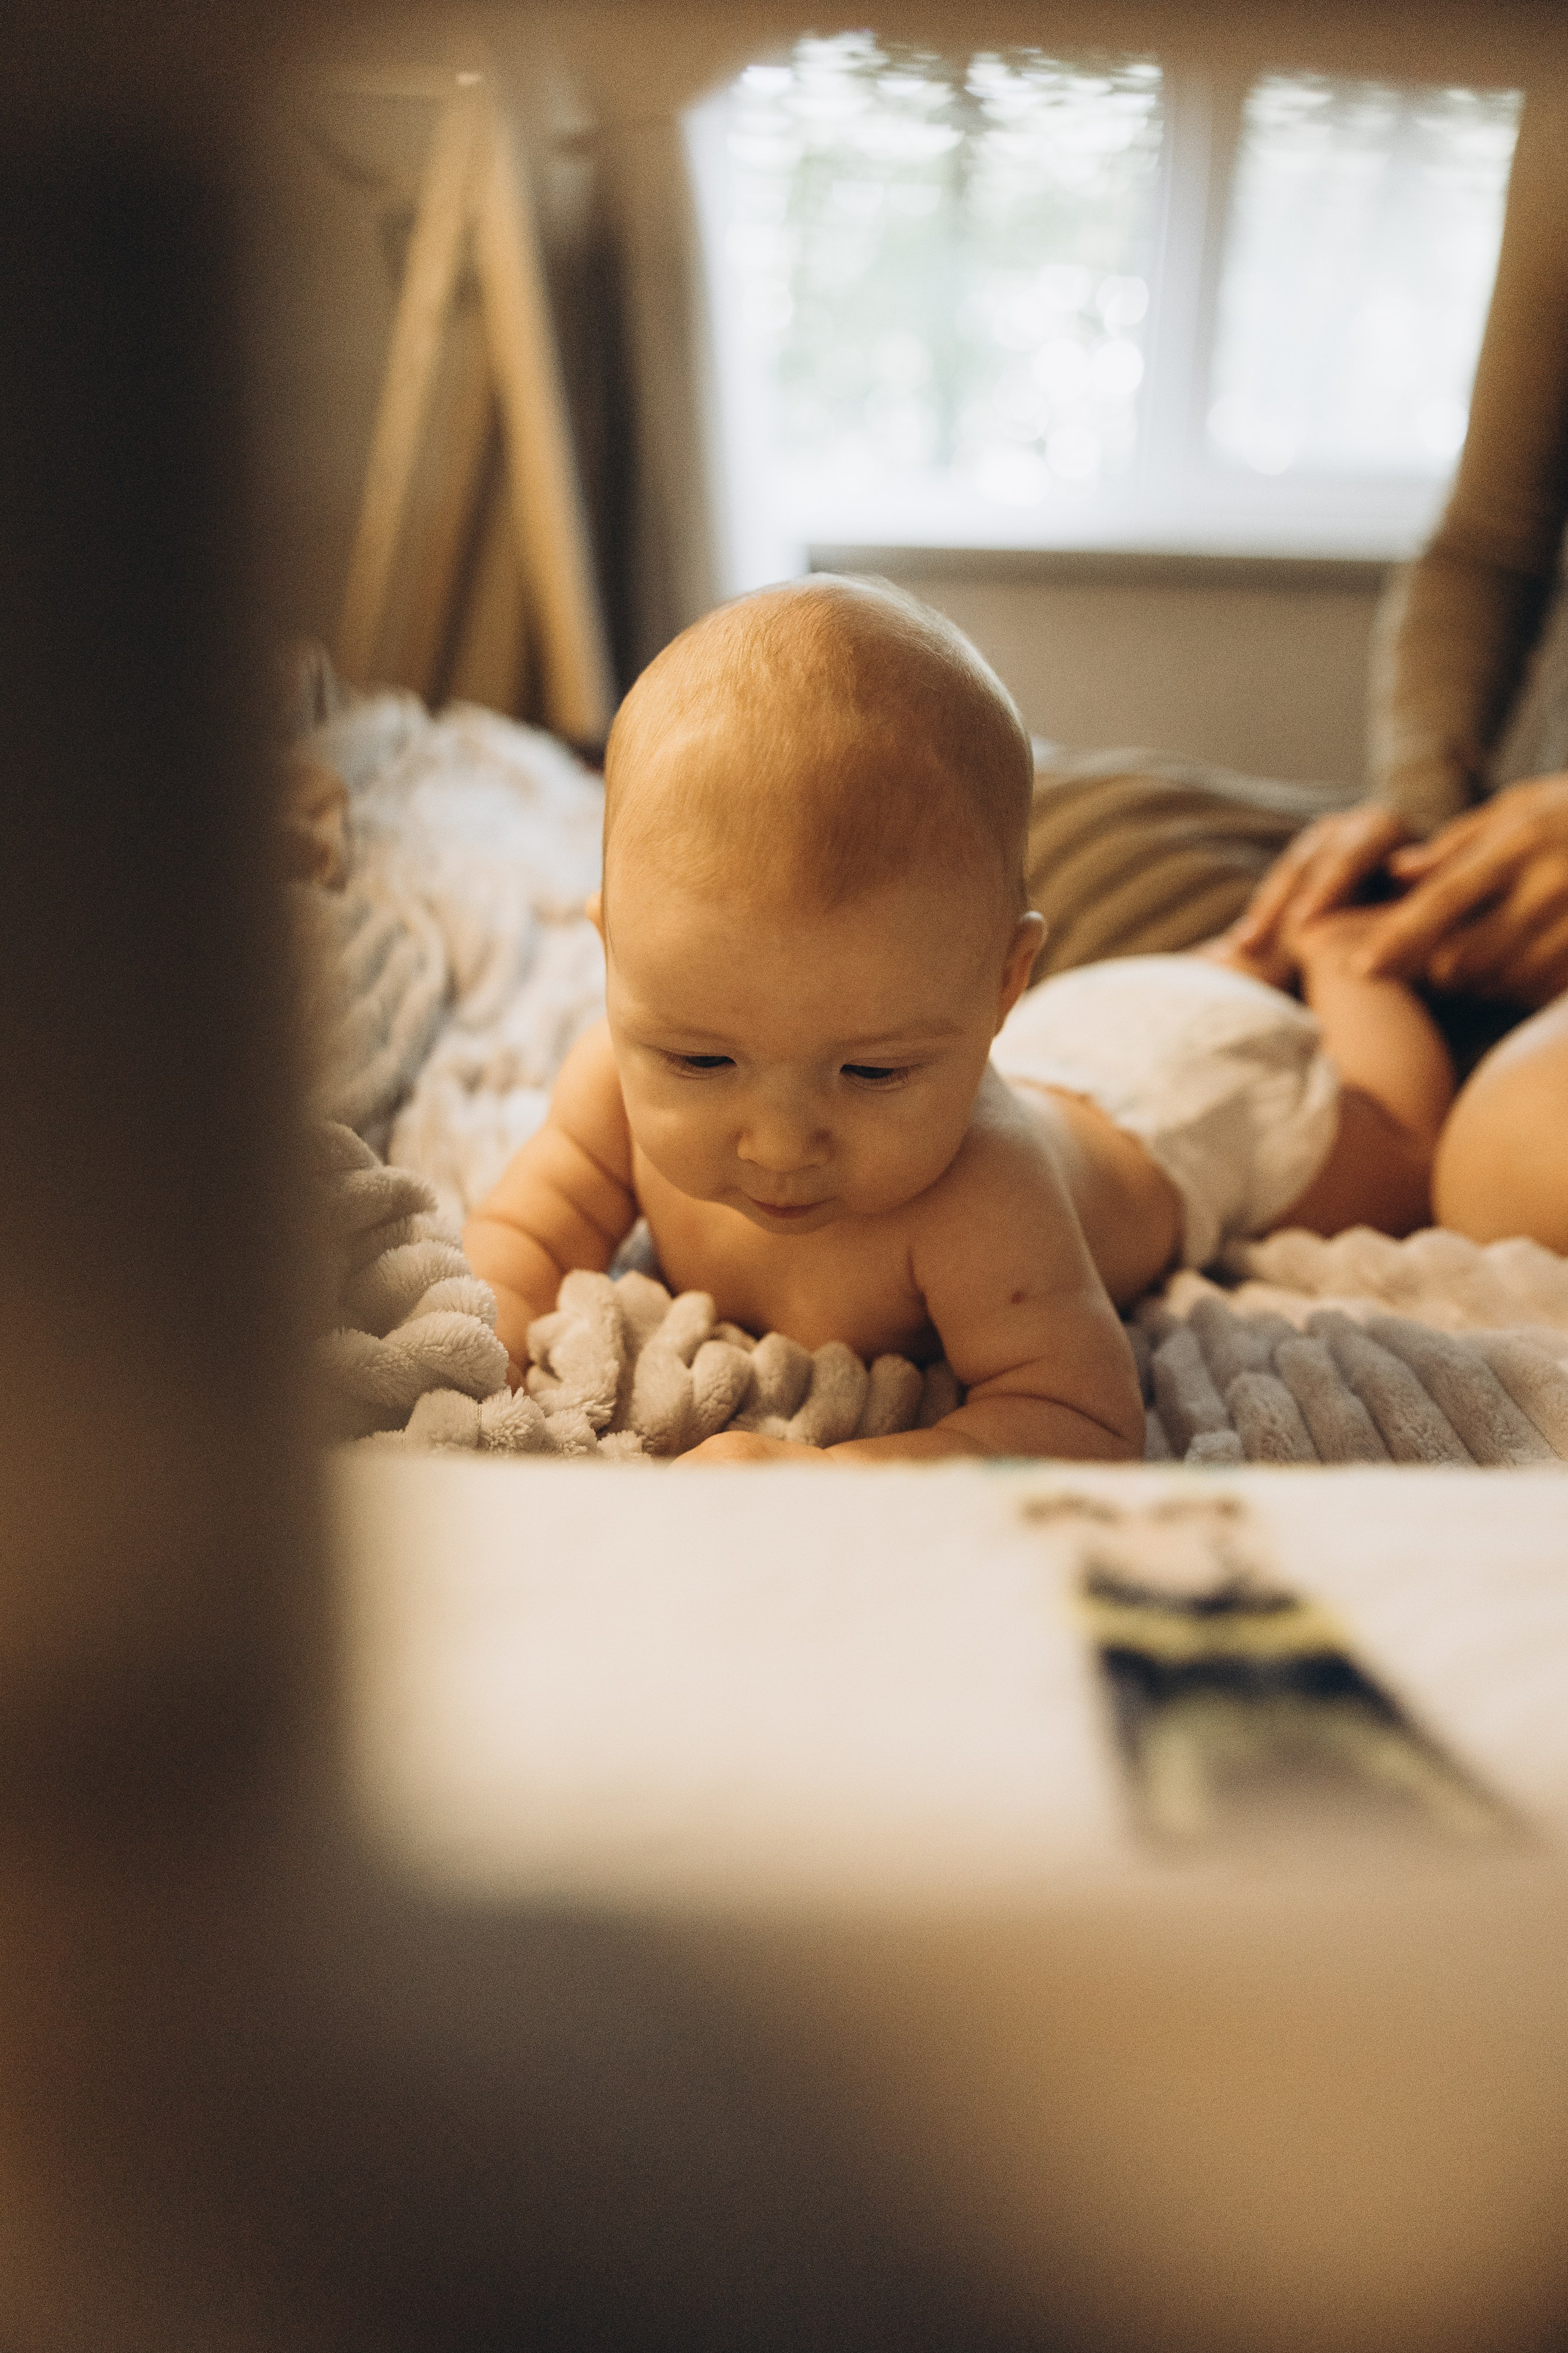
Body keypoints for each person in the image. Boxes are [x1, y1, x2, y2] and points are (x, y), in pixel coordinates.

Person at [464, 578, 1454, 1465]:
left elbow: (1082, 1417)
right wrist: (482, 1354)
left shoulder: (982, 1192)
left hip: (1182, 1094)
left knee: (1405, 1153)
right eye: (700, 1058)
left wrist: (845, 1479)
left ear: (998, 990)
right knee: (1180, 983)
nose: (779, 1142)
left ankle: (1341, 950)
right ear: (612, 956)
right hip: (1075, 1027)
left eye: (874, 1074)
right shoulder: (614, 1087)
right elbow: (523, 1237)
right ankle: (1247, 945)